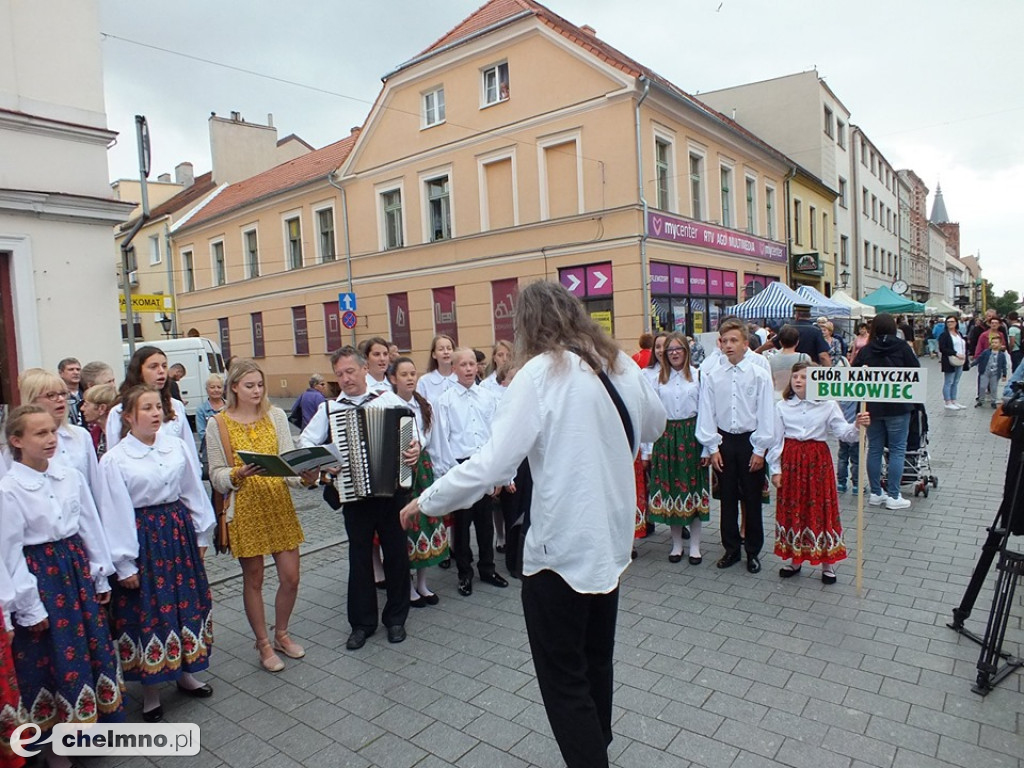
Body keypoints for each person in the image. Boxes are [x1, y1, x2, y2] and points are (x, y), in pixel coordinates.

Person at [399, 281, 666, 768]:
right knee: (595, 663)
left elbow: (493, 465)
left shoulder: (540, 374)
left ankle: (590, 757)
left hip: (560, 549)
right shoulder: (620, 364)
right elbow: (656, 426)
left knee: (564, 679)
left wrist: (429, 498)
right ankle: (596, 746)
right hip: (609, 541)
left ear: (527, 325)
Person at [1, 406, 124, 767]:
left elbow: (89, 524)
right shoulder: (9, 489)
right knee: (49, 657)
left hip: (74, 570)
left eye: (52, 431)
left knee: (85, 647)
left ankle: (84, 726)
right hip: (41, 577)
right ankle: (54, 747)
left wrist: (100, 572)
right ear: (17, 441)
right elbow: (9, 551)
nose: (51, 439)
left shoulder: (69, 475)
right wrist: (28, 605)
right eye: (40, 434)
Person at [99, 385, 215, 722]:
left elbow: (192, 488)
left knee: (184, 603)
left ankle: (184, 673)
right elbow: (113, 512)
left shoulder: (175, 445)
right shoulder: (116, 459)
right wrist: (123, 563)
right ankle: (150, 691)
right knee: (149, 610)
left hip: (177, 534)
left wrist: (200, 531)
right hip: (143, 540)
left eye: (157, 407)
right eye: (146, 408)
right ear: (128, 417)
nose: (154, 413)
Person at [299, 346, 419, 651]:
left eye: (350, 371)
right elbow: (305, 443)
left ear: (365, 370)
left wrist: (416, 449)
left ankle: (396, 619)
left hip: (392, 492)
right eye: (339, 374)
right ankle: (362, 624)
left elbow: (415, 434)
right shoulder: (330, 409)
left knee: (396, 555)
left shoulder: (390, 400)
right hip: (353, 495)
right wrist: (326, 463)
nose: (345, 378)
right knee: (359, 557)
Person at [206, 360, 317, 673]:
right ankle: (262, 642)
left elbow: (287, 466)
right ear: (234, 388)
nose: (256, 391)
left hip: (277, 503)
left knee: (291, 576)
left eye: (259, 385)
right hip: (246, 508)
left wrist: (307, 477)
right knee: (253, 579)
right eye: (249, 386)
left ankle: (281, 632)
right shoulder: (219, 424)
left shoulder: (276, 415)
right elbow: (215, 475)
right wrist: (237, 473)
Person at [768, 363, 869, 584]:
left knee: (821, 507)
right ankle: (795, 558)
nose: (798, 381)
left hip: (817, 460)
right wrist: (775, 469)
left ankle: (827, 563)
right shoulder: (782, 406)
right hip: (792, 460)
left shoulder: (828, 405)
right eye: (795, 376)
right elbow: (776, 440)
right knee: (793, 507)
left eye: (804, 377)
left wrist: (856, 426)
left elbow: (843, 433)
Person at [695, 319, 774, 574]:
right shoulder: (712, 375)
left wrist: (761, 450)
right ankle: (731, 548)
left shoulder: (760, 374)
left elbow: (765, 413)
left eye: (734, 340)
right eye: (725, 341)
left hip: (750, 440)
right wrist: (712, 447)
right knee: (727, 498)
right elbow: (707, 413)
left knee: (751, 499)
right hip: (723, 441)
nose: (729, 345)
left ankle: (752, 551)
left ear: (745, 343)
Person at [431, 348, 508, 596]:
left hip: (484, 464)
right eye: (462, 365)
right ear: (453, 369)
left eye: (471, 364)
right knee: (462, 525)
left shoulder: (487, 397)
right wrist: (450, 474)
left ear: (477, 367)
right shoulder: (445, 401)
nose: (467, 369)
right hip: (460, 465)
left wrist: (498, 474)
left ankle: (487, 567)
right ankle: (465, 572)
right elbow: (442, 439)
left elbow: (495, 434)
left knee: (485, 522)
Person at [388, 357, 447, 607]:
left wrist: (439, 471)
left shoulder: (424, 404)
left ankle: (422, 583)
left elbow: (432, 439)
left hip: (422, 469)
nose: (410, 378)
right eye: (404, 374)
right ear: (393, 379)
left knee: (428, 524)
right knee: (408, 527)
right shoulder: (387, 404)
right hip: (400, 471)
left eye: (413, 373)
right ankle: (409, 585)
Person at [645, 332, 708, 564]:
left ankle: (695, 546)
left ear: (686, 351)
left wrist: (708, 448)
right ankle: (676, 545)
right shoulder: (657, 380)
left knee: (693, 490)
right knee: (672, 490)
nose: (673, 353)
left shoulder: (699, 376)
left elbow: (706, 411)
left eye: (678, 349)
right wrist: (648, 448)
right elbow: (650, 415)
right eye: (669, 349)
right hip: (666, 436)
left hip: (691, 436)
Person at [851, 313, 920, 510]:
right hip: (898, 407)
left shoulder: (867, 349)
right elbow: (916, 371)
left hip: (872, 408)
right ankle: (894, 495)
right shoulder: (902, 347)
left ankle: (875, 493)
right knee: (898, 450)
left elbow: (854, 375)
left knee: (874, 448)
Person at [106, 346, 200, 468]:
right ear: (139, 372)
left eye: (164, 366)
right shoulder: (119, 411)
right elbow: (114, 460)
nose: (161, 371)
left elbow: (189, 452)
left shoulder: (175, 406)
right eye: (153, 367)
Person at [195, 373, 226, 474]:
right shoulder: (201, 410)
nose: (216, 390)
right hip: (211, 453)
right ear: (207, 389)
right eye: (212, 387)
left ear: (223, 389)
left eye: (219, 387)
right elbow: (202, 433)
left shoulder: (230, 406)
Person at [768, 326, 811, 395]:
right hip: (797, 396)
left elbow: (772, 381)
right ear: (797, 342)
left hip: (777, 396)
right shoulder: (804, 358)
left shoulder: (772, 359)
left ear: (780, 342)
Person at [416, 334, 457, 405]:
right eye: (441, 349)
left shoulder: (461, 378)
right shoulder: (424, 381)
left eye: (449, 348)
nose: (446, 352)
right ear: (434, 354)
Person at [938, 315, 969, 410]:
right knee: (949, 381)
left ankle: (954, 400)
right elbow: (942, 348)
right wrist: (955, 353)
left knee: (956, 381)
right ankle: (947, 401)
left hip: (960, 360)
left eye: (952, 321)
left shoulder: (959, 334)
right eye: (948, 322)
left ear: (956, 323)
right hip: (950, 360)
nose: (950, 323)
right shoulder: (944, 335)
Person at [81, 382, 118, 459]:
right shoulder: (94, 435)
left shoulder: (122, 435)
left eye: (86, 405)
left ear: (102, 408)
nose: (82, 409)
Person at [975, 336, 1012, 408]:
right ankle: (981, 400)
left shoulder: (1001, 355)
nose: (994, 344)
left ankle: (993, 401)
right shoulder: (986, 352)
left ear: (1000, 344)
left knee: (994, 388)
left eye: (996, 343)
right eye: (992, 342)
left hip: (995, 373)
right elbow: (979, 358)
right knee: (982, 386)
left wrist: (1004, 374)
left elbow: (1004, 365)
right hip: (985, 372)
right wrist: (972, 364)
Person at [57, 357, 84, 426]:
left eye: (78, 369)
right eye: (71, 369)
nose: (76, 372)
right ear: (61, 373)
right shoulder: (57, 395)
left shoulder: (87, 393)